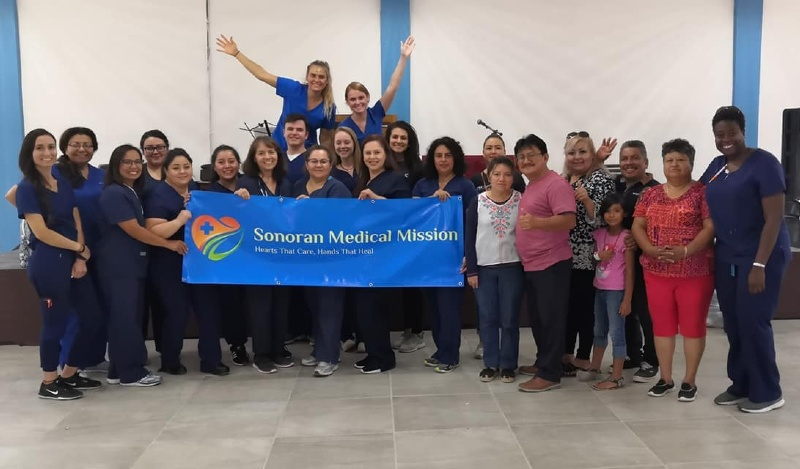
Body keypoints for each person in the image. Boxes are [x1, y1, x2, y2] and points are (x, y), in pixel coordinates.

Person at [701, 106, 791, 413]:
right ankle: (741, 384)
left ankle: (768, 392)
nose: (726, 139)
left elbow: (774, 219)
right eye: (719, 134)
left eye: (731, 133)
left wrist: (759, 265)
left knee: (753, 322)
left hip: (762, 255)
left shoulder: (765, 164)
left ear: (743, 132)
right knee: (734, 323)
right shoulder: (717, 166)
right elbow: (695, 195)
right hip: (728, 255)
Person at [15, 128, 103, 399]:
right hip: (49, 264)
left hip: (73, 260)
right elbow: (42, 233)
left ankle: (69, 374)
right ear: (29, 153)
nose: (47, 152)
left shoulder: (61, 181)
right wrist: (79, 248)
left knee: (92, 318)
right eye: (40, 148)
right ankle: (49, 381)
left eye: (51, 147)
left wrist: (80, 256)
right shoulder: (27, 187)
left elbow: (76, 218)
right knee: (55, 323)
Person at [632, 138, 715, 402]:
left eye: (680, 160)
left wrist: (686, 251)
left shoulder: (703, 193)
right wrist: (649, 249)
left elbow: (710, 228)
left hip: (695, 272)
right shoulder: (651, 194)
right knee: (662, 327)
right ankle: (665, 379)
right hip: (656, 272)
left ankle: (689, 381)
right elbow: (637, 225)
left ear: (691, 163)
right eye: (669, 160)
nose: (674, 164)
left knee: (692, 327)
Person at [98, 144, 187, 387]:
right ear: (116, 165)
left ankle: (117, 370)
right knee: (126, 319)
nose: (134, 166)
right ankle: (131, 372)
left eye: (137, 162)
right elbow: (135, 230)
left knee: (126, 318)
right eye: (127, 162)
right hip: (120, 267)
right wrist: (168, 244)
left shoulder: (132, 191)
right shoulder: (114, 193)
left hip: (132, 265)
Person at [145, 149, 229, 376]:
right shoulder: (157, 195)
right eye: (176, 168)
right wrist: (179, 220)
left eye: (186, 167)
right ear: (166, 171)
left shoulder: (195, 190)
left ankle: (211, 360)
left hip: (199, 261)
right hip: (169, 264)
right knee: (176, 312)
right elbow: (153, 230)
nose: (182, 172)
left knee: (209, 310)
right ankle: (170, 360)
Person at [514, 134, 577, 393]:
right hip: (533, 264)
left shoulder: (556, 184)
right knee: (539, 319)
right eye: (521, 157)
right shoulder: (532, 184)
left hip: (551, 263)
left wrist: (537, 223)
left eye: (531, 155)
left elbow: (569, 220)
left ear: (546, 157)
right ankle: (544, 362)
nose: (526, 160)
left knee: (551, 320)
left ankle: (550, 373)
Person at [412, 137, 478, 373]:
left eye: (447, 155)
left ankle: (450, 356)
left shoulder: (465, 186)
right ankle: (441, 351)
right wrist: (430, 203)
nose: (442, 160)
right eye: (438, 155)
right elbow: (412, 216)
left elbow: (473, 223)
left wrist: (469, 254)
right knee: (433, 308)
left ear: (455, 158)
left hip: (453, 258)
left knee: (448, 308)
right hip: (427, 257)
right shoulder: (422, 185)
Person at [234, 137, 294, 373]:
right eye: (261, 153)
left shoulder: (285, 183)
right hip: (256, 255)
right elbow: (237, 216)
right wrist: (237, 199)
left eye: (271, 152)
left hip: (282, 255)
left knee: (281, 304)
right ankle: (262, 353)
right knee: (260, 305)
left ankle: (278, 349)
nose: (267, 157)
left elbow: (293, 215)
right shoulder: (246, 183)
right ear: (254, 158)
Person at [352, 135, 411, 373]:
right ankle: (373, 352)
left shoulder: (396, 180)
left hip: (385, 255)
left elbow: (404, 213)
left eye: (376, 152)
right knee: (363, 308)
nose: (372, 157)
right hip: (364, 255)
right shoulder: (362, 180)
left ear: (385, 155)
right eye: (368, 153)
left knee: (375, 307)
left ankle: (384, 358)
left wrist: (378, 199)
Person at [215, 35, 335, 150]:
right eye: (313, 75)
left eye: (321, 77)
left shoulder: (329, 107)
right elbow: (262, 75)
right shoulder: (293, 89)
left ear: (327, 81)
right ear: (307, 77)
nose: (316, 80)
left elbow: (325, 139)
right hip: (279, 150)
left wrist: (326, 160)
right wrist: (237, 53)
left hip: (306, 155)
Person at [294, 145, 352, 377]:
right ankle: (319, 350)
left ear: (330, 165)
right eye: (314, 161)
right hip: (306, 259)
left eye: (323, 161)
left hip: (332, 260)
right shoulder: (298, 186)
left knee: (330, 307)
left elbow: (340, 222)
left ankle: (329, 357)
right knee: (314, 306)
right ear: (306, 164)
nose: (318, 165)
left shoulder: (338, 189)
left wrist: (310, 207)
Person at [465, 156, 524, 383]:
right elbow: (469, 237)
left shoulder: (521, 200)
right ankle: (490, 363)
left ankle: (508, 364)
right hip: (484, 268)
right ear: (489, 175)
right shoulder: (478, 201)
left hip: (513, 267)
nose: (502, 179)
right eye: (497, 174)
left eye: (507, 174)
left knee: (509, 319)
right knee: (488, 317)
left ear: (513, 177)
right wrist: (472, 270)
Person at [562, 134, 615, 375]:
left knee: (585, 307)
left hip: (588, 254)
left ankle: (583, 356)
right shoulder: (564, 178)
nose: (577, 157)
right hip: (563, 252)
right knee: (568, 306)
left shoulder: (600, 178)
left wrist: (587, 201)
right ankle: (565, 354)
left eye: (582, 151)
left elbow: (605, 220)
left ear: (592, 154)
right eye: (572, 152)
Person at [576, 193, 634, 390]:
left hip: (617, 292)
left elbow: (630, 272)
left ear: (624, 214)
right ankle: (595, 367)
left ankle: (616, 377)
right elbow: (593, 261)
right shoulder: (599, 234)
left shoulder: (627, 238)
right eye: (608, 211)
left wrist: (627, 299)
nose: (612, 215)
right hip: (599, 289)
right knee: (598, 330)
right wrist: (598, 256)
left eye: (617, 211)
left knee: (617, 333)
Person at [615, 140, 661, 383]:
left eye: (634, 158)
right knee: (627, 308)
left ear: (646, 162)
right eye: (624, 158)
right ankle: (633, 355)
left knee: (646, 311)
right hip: (620, 262)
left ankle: (652, 359)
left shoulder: (655, 190)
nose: (629, 163)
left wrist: (640, 238)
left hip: (645, 261)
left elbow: (662, 226)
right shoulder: (617, 185)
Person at [205, 145, 250, 366]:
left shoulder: (250, 184)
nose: (227, 166)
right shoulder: (209, 194)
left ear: (238, 163)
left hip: (253, 254)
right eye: (221, 162)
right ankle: (237, 344)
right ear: (214, 166)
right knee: (231, 302)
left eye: (231, 161)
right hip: (226, 256)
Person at [385, 120, 426, 352]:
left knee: (412, 284)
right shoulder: (381, 163)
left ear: (409, 142)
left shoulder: (418, 168)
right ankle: (401, 330)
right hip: (386, 234)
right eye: (395, 137)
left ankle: (416, 332)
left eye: (403, 138)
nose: (398, 141)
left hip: (411, 233)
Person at [339, 36, 415, 144]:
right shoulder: (344, 126)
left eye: (361, 98)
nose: (357, 102)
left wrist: (403, 58)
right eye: (353, 99)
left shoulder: (376, 113)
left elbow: (392, 87)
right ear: (347, 102)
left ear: (368, 98)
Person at [139, 129, 170, 356]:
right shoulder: (137, 174)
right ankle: (137, 350)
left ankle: (164, 347)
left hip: (169, 248)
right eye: (149, 148)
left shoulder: (176, 171)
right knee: (140, 303)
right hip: (141, 245)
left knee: (163, 302)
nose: (155, 151)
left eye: (160, 147)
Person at [331, 126, 361, 193]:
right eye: (338, 143)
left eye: (347, 142)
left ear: (354, 143)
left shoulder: (366, 168)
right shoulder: (331, 173)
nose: (342, 146)